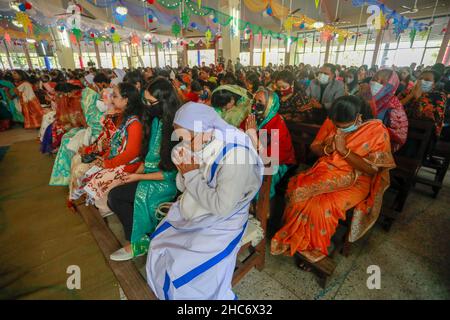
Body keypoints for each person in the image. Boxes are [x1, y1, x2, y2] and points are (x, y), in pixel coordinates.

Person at [145, 102, 263, 300]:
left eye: (186, 138)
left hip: (224, 219)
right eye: (180, 138)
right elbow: (183, 187)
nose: (183, 144)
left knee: (181, 268)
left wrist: (190, 174)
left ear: (206, 130)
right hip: (197, 206)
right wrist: (185, 170)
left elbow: (222, 207)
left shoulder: (236, 155)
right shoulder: (203, 142)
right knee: (159, 244)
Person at [271, 96, 395, 263]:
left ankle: (315, 248)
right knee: (297, 193)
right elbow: (315, 147)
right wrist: (328, 148)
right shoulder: (333, 120)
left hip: (358, 179)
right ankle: (296, 239)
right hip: (326, 170)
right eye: (337, 126)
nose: (338, 129)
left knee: (322, 207)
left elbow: (372, 169)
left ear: (358, 117)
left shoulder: (376, 130)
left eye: (344, 127)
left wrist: (344, 151)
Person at [107, 77, 181, 260]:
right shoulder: (156, 121)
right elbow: (147, 159)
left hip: (166, 182)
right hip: (150, 174)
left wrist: (137, 178)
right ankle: (139, 238)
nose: (147, 106)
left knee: (116, 197)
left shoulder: (175, 128)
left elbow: (170, 174)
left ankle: (139, 241)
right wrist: (133, 174)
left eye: (151, 102)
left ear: (163, 101)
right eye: (145, 101)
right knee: (116, 193)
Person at [75, 83, 145, 212]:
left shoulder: (134, 123)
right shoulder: (124, 117)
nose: (112, 98)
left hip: (129, 164)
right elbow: (115, 144)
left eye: (115, 96)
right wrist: (105, 159)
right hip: (117, 159)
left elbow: (131, 153)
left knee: (97, 178)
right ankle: (101, 207)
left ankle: (106, 210)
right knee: (89, 172)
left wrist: (108, 163)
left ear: (126, 100)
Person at [49, 73, 110, 186]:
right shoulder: (80, 96)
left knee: (68, 141)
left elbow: (94, 119)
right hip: (89, 126)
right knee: (66, 137)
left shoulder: (88, 96)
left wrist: (86, 126)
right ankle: (65, 177)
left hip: (97, 128)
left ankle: (68, 177)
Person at [241, 87, 297, 198]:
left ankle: (262, 209)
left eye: (260, 102)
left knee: (260, 179)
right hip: (255, 158)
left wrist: (253, 137)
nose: (255, 105)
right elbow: (241, 133)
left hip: (278, 163)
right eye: (254, 101)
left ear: (270, 105)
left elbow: (269, 159)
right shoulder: (253, 117)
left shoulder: (277, 124)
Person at [369, 69, 408, 153]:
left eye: (382, 82)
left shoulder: (394, 106)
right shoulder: (365, 97)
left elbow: (397, 135)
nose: (376, 83)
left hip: (380, 145)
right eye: (375, 80)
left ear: (391, 86)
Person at [399, 70, 447, 137]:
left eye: (427, 80)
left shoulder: (438, 96)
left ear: (434, 84)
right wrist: (411, 95)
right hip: (399, 126)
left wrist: (418, 98)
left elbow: (434, 118)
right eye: (420, 79)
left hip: (422, 132)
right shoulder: (407, 92)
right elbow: (395, 106)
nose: (422, 82)